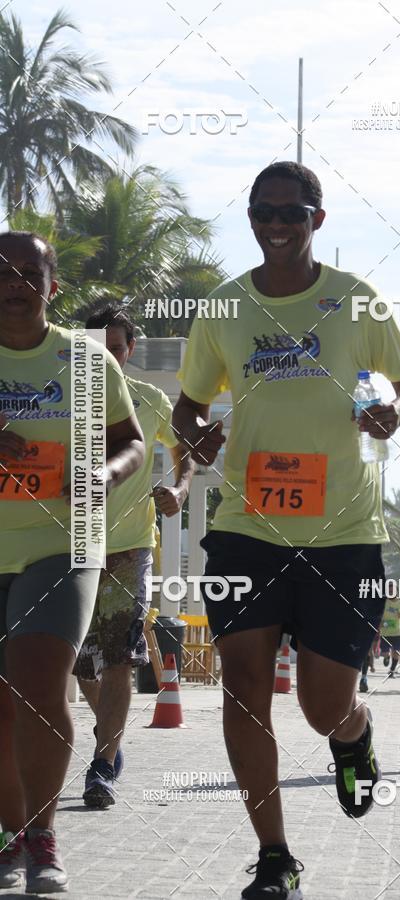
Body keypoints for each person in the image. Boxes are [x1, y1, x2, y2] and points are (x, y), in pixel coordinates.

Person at [173, 161, 400, 899]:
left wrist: (397, 410)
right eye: (264, 212)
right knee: (243, 686)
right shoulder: (224, 310)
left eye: (292, 212)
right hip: (246, 531)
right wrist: (193, 437)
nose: (277, 225)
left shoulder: (354, 301)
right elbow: (189, 405)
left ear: (319, 219)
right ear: (251, 218)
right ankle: (274, 856)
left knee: (323, 706)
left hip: (343, 535)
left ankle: (353, 736)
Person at [0, 232, 144, 893]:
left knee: (37, 680)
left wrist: (103, 476)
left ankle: (44, 835)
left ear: (52, 286)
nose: (16, 283)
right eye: (4, 273)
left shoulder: (84, 364)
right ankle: (11, 834)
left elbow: (132, 445)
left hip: (62, 544)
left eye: (31, 273)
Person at [74, 303, 195, 808]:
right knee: (80, 665)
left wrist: (181, 490)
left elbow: (186, 448)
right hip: (68, 544)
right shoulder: (61, 398)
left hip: (129, 546)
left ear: (131, 351)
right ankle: (111, 733)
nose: (106, 356)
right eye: (95, 347)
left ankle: (103, 762)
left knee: (122, 657)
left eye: (116, 349)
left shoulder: (148, 400)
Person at [380, 595, 400, 676]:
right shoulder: (383, 601)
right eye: (389, 591)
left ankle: (392, 670)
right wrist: (384, 623)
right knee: (385, 652)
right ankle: (387, 657)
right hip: (385, 633)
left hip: (398, 633)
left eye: (393, 590)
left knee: (397, 652)